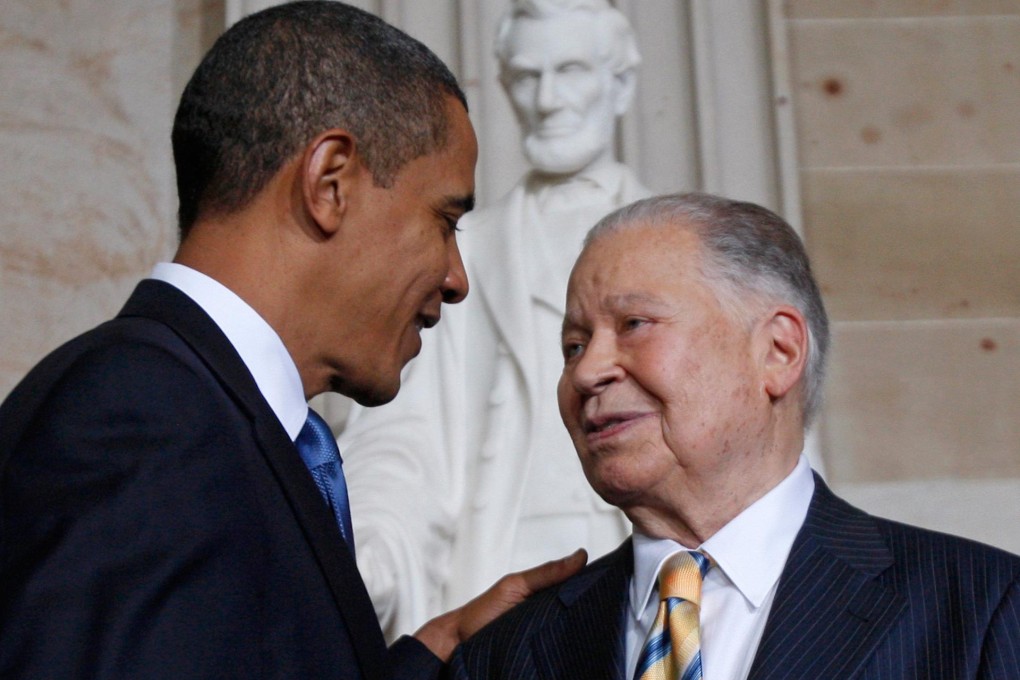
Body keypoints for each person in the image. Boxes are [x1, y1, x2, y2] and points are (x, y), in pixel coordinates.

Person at [0, 3, 585, 678]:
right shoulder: (141, 424)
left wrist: (434, 655)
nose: (457, 279)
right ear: (329, 183)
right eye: (445, 219)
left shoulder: (194, 412)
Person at [449, 193, 1020, 680]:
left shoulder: (981, 610)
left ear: (778, 352)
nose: (586, 371)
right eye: (573, 345)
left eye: (634, 325)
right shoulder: (506, 652)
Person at [338, 0, 649, 637]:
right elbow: (405, 435)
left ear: (619, 84)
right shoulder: (465, 250)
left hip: (648, 567)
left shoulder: (693, 253)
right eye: (529, 76)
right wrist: (370, 546)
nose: (550, 98)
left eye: (572, 70)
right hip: (498, 566)